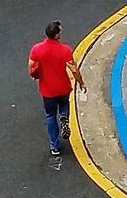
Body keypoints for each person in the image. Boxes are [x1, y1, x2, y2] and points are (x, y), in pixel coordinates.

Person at [28, 20, 85, 157]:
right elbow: (74, 69)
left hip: (47, 90)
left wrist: (35, 75)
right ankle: (64, 117)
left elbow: (31, 67)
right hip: (63, 87)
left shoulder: (37, 49)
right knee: (64, 107)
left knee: (50, 116)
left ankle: (54, 146)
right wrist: (81, 82)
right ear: (58, 35)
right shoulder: (65, 50)